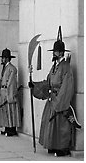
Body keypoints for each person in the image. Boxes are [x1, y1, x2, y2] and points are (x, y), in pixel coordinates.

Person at [29, 27, 81, 156]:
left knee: (61, 126)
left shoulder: (66, 67)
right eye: (54, 51)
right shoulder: (54, 67)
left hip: (59, 101)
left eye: (56, 52)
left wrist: (60, 104)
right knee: (50, 124)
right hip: (52, 99)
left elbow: (67, 87)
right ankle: (52, 146)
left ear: (61, 53)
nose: (54, 54)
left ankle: (62, 148)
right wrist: (34, 85)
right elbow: (47, 82)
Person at [0, 48, 21, 136]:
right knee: (5, 111)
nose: (2, 59)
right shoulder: (5, 68)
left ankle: (12, 130)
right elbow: (2, 80)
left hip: (9, 91)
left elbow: (12, 82)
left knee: (11, 111)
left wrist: (10, 95)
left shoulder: (12, 69)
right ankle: (6, 128)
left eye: (3, 58)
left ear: (7, 58)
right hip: (3, 91)